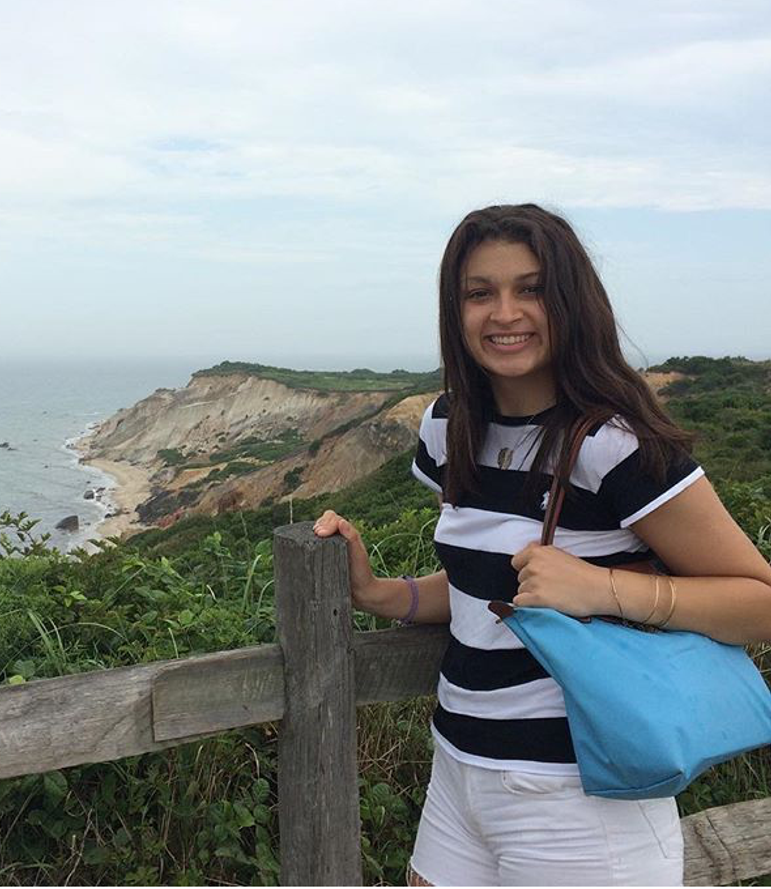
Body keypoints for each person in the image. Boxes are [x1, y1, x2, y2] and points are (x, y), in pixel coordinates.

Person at [313, 203, 771, 887]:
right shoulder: (448, 426)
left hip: (580, 800)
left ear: (569, 302)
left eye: (530, 289)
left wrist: (603, 588)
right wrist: (382, 594)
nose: (505, 313)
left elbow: (760, 601)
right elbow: (492, 591)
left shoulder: (614, 445)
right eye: (480, 293)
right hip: (458, 771)